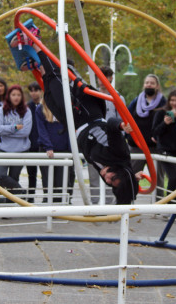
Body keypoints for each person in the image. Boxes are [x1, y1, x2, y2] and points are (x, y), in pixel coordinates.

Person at [35, 50, 142, 205]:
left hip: (78, 126)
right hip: (89, 115)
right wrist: (121, 126)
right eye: (112, 177)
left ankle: (39, 65)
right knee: (60, 88)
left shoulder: (114, 176)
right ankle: (40, 49)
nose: (106, 178)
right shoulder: (119, 154)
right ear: (120, 172)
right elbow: (111, 125)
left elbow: (123, 181)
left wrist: (132, 180)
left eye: (110, 183)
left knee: (50, 99)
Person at [87, 66, 124, 204]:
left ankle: (109, 205)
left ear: (111, 78)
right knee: (94, 175)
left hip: (111, 143)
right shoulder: (90, 94)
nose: (102, 81)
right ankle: (95, 205)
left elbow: (123, 121)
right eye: (100, 77)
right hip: (94, 141)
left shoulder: (117, 97)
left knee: (111, 175)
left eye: (106, 77)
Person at [0, 85, 32, 197]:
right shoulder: (1, 110)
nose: (16, 97)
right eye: (13, 95)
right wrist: (14, 128)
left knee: (14, 178)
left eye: (18, 95)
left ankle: (9, 208)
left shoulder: (26, 111)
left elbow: (26, 131)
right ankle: (20, 191)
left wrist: (7, 131)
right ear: (8, 96)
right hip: (3, 149)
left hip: (20, 150)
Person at [35, 98, 74, 203]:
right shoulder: (40, 108)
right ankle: (49, 206)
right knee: (48, 181)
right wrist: (48, 146)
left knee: (63, 181)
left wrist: (72, 149)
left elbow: (71, 129)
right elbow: (41, 129)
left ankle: (63, 204)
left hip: (64, 150)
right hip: (47, 150)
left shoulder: (67, 107)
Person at [127, 74, 166, 174]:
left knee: (157, 179)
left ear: (157, 86)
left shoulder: (163, 102)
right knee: (133, 175)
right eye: (147, 83)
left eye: (152, 83)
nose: (149, 85)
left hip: (154, 147)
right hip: (136, 146)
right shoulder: (136, 101)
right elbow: (127, 116)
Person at [152, 89, 176, 200]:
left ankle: (175, 207)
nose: (174, 103)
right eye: (172, 100)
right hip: (165, 149)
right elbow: (155, 132)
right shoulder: (161, 113)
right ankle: (169, 204)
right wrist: (165, 123)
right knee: (173, 178)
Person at [26, 82, 43, 202]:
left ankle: (48, 197)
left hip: (43, 144)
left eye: (36, 90)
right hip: (30, 144)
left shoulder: (46, 105)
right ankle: (30, 196)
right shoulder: (27, 107)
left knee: (45, 173)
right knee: (31, 173)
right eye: (31, 90)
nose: (34, 93)